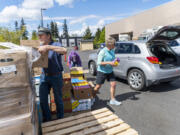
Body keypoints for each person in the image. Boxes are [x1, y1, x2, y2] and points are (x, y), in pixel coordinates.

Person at [38, 27, 67, 122]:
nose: (39, 37)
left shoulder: (55, 44)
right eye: (38, 35)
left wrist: (48, 47)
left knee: (58, 99)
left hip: (56, 75)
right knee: (42, 99)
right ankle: (47, 118)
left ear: (48, 36)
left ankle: (60, 119)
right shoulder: (39, 46)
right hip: (44, 76)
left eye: (41, 35)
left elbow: (64, 50)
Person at [93, 38, 121, 106]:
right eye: (114, 44)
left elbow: (113, 60)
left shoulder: (112, 51)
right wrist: (109, 62)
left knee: (113, 84)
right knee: (98, 87)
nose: (115, 45)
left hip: (110, 71)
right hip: (102, 71)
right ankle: (92, 98)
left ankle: (112, 100)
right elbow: (98, 63)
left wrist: (115, 63)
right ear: (110, 44)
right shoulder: (102, 52)